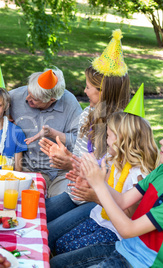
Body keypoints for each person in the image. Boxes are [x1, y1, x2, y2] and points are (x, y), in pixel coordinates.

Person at [39, 30, 131, 252]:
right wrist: (63, 152)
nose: (85, 89)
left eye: (89, 86)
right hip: (75, 191)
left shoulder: (115, 130)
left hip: (93, 199)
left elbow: (101, 175)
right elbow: (80, 154)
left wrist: (69, 162)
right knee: (35, 218)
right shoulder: (89, 112)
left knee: (47, 237)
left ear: (103, 91)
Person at [50, 111, 159, 267]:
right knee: (60, 243)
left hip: (115, 233)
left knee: (65, 250)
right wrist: (88, 182)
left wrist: (96, 194)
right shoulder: (114, 160)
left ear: (122, 140)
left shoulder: (138, 176)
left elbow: (130, 215)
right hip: (98, 218)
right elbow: (106, 187)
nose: (106, 141)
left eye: (108, 136)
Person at [0, 67, 82, 197]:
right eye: (28, 92)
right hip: (27, 168)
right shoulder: (17, 95)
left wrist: (52, 133)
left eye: (34, 99)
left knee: (61, 201)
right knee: (28, 199)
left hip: (59, 172)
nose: (27, 98)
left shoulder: (70, 104)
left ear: (51, 100)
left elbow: (80, 141)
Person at [69, 126, 163, 268]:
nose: (162, 141)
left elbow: (128, 230)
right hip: (125, 249)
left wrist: (98, 186)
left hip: (143, 263)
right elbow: (123, 201)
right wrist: (94, 179)